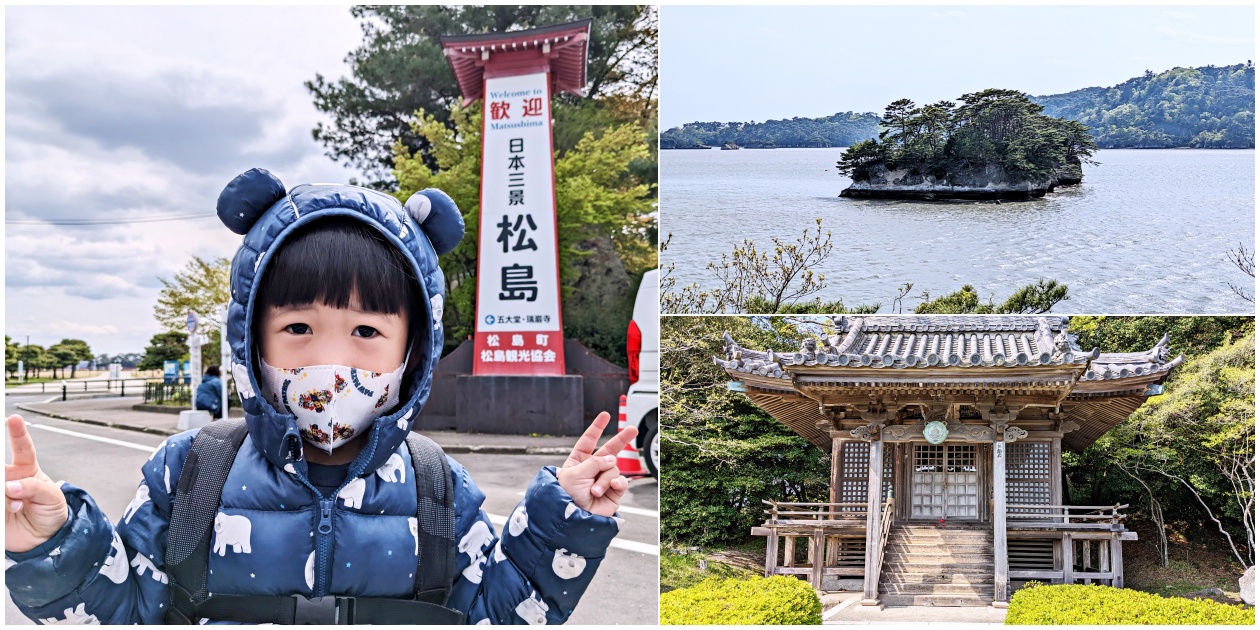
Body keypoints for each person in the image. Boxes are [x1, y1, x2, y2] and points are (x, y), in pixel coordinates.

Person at [4, 169, 637, 624]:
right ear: (253, 338)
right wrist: (54, 544)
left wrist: (565, 519)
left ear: (412, 351)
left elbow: (501, 610)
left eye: (366, 332)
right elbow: (123, 609)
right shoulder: (188, 469)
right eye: (299, 328)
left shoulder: (438, 485)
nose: (330, 362)